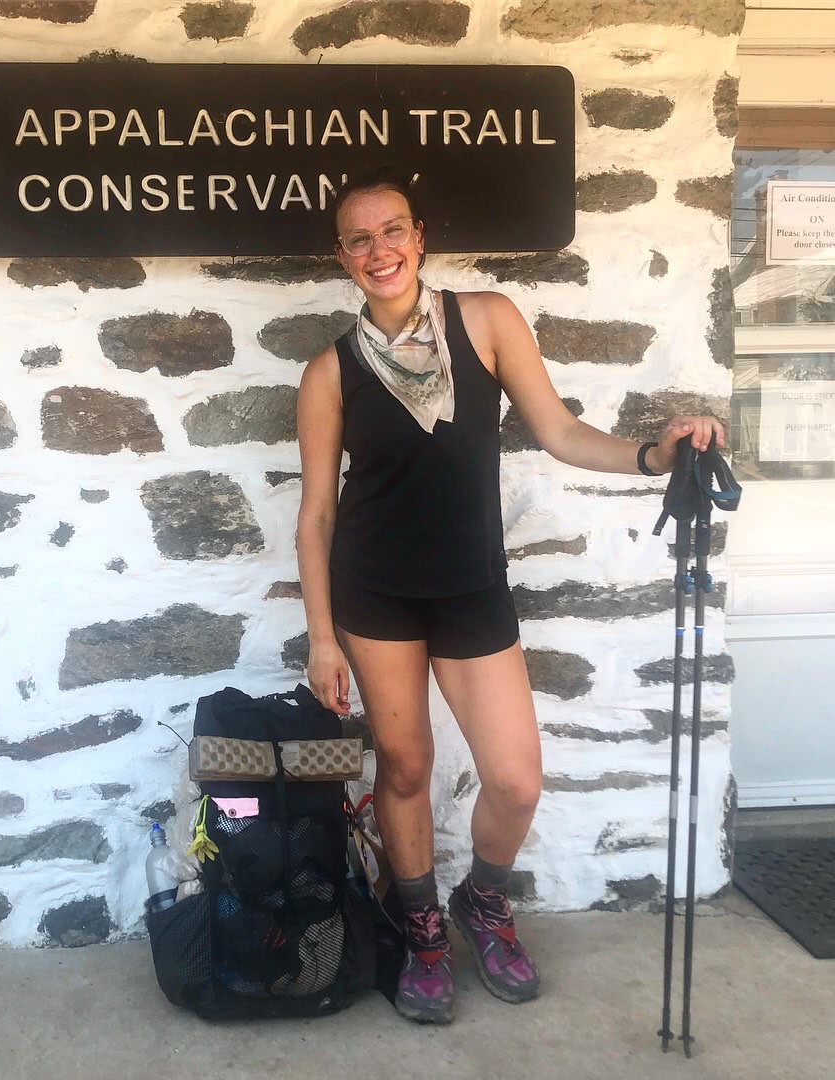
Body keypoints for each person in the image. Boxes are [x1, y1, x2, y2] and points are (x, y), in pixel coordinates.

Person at [295, 169, 726, 1025]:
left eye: (393, 230)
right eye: (360, 239)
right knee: (405, 767)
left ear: (420, 237)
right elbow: (316, 515)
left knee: (517, 780)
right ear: (342, 257)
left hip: (470, 590)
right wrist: (321, 637)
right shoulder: (329, 372)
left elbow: (558, 431)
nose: (380, 250)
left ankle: (481, 902)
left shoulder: (486, 320)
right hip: (375, 594)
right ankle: (422, 929)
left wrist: (655, 456)